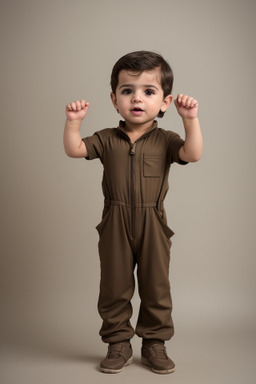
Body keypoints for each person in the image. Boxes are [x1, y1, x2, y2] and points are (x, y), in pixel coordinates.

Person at [63, 50, 203, 375]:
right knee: (114, 285)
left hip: (153, 221)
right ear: (114, 99)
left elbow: (192, 154)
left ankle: (154, 343)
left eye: (148, 91)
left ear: (165, 102)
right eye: (127, 91)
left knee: (156, 286)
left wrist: (190, 119)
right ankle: (118, 342)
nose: (137, 98)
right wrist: (73, 124)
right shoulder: (107, 139)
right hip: (115, 220)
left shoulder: (166, 140)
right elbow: (75, 150)